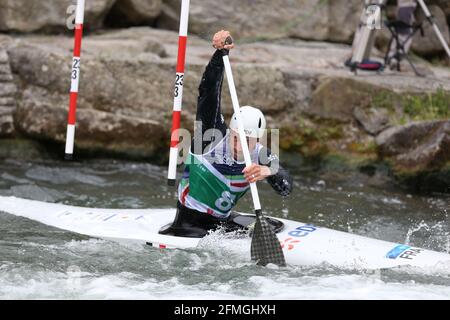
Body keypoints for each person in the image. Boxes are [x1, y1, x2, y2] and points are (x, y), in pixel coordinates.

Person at [160, 30, 293, 238]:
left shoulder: (261, 155)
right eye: (236, 137)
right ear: (230, 131)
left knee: (272, 224)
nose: (239, 145)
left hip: (223, 223)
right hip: (188, 225)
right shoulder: (211, 138)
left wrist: (270, 172)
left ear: (257, 140)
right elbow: (208, 93)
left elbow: (286, 187)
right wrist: (220, 56)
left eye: (247, 141)